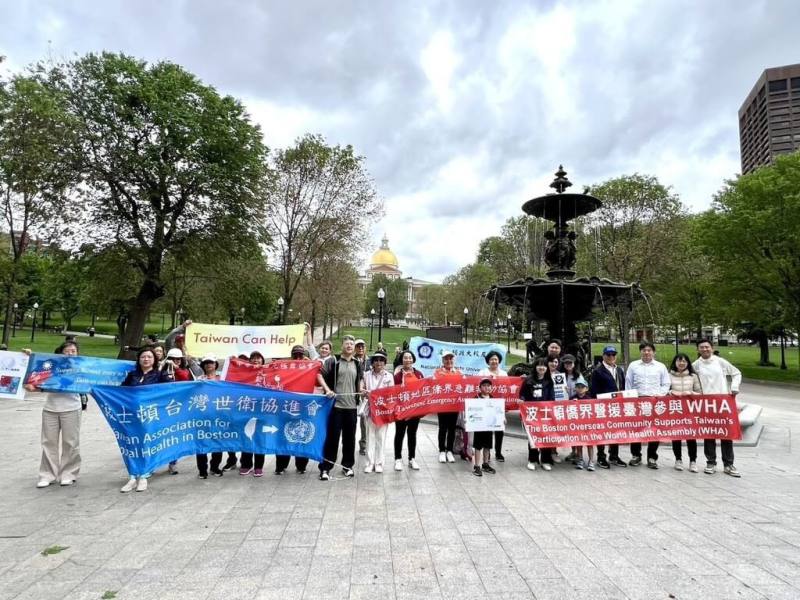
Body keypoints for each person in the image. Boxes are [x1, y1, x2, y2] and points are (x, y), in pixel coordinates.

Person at [27, 341, 82, 488]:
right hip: (50, 408)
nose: (70, 353)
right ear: (60, 352)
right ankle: (47, 475)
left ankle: (68, 474)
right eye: (67, 351)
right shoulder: (51, 366)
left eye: (73, 351)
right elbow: (36, 382)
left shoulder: (81, 367)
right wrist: (28, 357)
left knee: (70, 443)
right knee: (48, 443)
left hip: (71, 408)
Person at [120, 348, 171, 492]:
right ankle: (132, 476)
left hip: (150, 416)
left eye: (149, 357)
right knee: (132, 443)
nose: (146, 359)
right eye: (143, 357)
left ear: (154, 360)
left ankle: (143, 475)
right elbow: (121, 392)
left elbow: (171, 390)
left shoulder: (160, 375)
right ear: (139, 359)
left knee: (147, 443)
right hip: (132, 415)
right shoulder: (132, 375)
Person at [317, 335, 364, 480]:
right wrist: (327, 390)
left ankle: (347, 466)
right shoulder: (334, 361)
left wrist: (361, 389)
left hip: (351, 407)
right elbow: (319, 375)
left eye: (352, 343)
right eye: (347, 343)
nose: (349, 346)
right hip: (336, 406)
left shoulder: (357, 363)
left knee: (349, 439)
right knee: (332, 438)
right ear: (342, 346)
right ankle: (325, 468)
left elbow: (360, 379)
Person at [693, 339, 742, 477]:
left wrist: (734, 387)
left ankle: (728, 463)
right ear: (698, 350)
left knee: (726, 433)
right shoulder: (696, 365)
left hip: (723, 402)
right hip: (707, 404)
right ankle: (711, 462)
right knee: (709, 433)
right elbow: (690, 379)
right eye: (701, 347)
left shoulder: (720, 362)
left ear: (712, 348)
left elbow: (736, 373)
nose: (704, 349)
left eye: (707, 347)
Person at [625, 341, 670, 468]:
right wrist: (630, 398)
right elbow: (628, 383)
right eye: (644, 350)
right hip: (637, 401)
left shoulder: (660, 366)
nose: (646, 352)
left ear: (653, 352)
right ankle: (636, 456)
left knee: (654, 430)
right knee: (636, 429)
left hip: (654, 402)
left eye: (649, 350)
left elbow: (666, 383)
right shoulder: (633, 366)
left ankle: (652, 457)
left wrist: (659, 395)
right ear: (640, 352)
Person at [275, 345, 311, 475]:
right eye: (295, 355)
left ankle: (301, 465)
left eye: (300, 355)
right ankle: (281, 466)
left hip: (303, 406)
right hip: (285, 406)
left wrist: (310, 364)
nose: (298, 358)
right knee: (283, 436)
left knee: (301, 435)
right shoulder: (285, 367)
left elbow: (319, 377)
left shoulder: (309, 367)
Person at [590, 345, 628, 469]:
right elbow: (594, 391)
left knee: (616, 431)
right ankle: (601, 456)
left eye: (613, 355)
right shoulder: (598, 371)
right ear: (603, 356)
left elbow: (622, 387)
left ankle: (614, 455)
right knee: (602, 431)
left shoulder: (619, 370)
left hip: (617, 406)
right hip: (603, 406)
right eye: (608, 355)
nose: (611, 357)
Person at [668, 353, 703, 473]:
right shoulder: (669, 375)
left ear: (688, 363)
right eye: (679, 361)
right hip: (675, 410)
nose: (681, 363)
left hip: (690, 410)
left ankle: (693, 461)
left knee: (691, 436)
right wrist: (672, 392)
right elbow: (665, 391)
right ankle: (678, 460)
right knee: (676, 436)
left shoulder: (693, 376)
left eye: (684, 361)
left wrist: (691, 393)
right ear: (675, 362)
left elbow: (700, 393)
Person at [520, 357, 555, 471]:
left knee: (546, 437)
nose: (542, 367)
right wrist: (521, 400)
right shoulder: (528, 380)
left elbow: (552, 398)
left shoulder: (549, 381)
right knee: (533, 437)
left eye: (544, 365)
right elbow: (522, 395)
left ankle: (545, 460)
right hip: (532, 413)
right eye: (539, 365)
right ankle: (532, 460)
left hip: (545, 414)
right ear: (535, 367)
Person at [362, 351, 394, 473]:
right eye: (376, 360)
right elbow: (362, 389)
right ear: (373, 362)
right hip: (370, 410)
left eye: (381, 360)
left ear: (385, 363)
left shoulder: (389, 376)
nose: (378, 362)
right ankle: (370, 463)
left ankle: (379, 463)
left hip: (383, 411)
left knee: (381, 437)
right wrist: (364, 392)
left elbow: (391, 393)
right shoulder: (366, 375)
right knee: (370, 437)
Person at [393, 350, 424, 471]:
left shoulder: (419, 374)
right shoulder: (397, 376)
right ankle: (398, 459)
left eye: (410, 358)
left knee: (412, 434)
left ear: (413, 359)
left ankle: (412, 458)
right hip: (401, 410)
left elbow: (423, 391)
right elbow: (393, 393)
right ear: (402, 360)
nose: (408, 360)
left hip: (414, 411)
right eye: (405, 358)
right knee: (399, 434)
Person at [240, 350, 269, 477]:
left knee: (260, 438)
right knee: (247, 435)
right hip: (247, 408)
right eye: (253, 358)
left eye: (258, 358)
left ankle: (258, 466)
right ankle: (246, 464)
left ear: (262, 360)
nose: (256, 360)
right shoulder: (244, 373)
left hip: (263, 409)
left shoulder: (269, 372)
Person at [196, 355, 224, 479]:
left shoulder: (222, 378)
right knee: (201, 442)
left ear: (215, 364)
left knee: (218, 442)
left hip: (218, 415)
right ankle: (202, 470)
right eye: (206, 363)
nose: (208, 365)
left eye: (211, 362)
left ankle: (215, 466)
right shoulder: (197, 380)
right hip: (201, 416)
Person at [433, 350, 462, 463]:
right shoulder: (438, 372)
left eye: (450, 359)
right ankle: (441, 450)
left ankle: (449, 450)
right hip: (442, 405)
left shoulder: (459, 373)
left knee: (452, 428)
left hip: (454, 405)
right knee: (442, 428)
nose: (449, 361)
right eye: (446, 359)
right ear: (443, 360)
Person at [478, 350, 507, 461]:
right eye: (491, 359)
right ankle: (487, 453)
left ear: (499, 361)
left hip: (498, 406)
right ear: (488, 361)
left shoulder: (504, 374)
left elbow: (508, 389)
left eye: (496, 359)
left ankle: (498, 452)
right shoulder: (482, 372)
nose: (494, 361)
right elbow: (477, 387)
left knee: (500, 430)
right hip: (485, 405)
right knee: (487, 431)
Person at [471, 378, 498, 477]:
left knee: (487, 446)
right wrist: (468, 420)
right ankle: (477, 466)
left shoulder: (493, 399)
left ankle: (485, 464)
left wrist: (502, 418)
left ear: (491, 388)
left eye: (488, 386)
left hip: (489, 427)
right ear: (480, 387)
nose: (486, 387)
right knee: (478, 446)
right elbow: (471, 411)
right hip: (478, 427)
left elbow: (497, 412)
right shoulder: (476, 398)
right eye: (484, 385)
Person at [571, 376, 596, 471]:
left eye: (582, 386)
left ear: (586, 388)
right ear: (575, 388)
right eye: (578, 386)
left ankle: (591, 461)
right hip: (577, 426)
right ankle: (580, 459)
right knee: (579, 443)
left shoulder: (590, 399)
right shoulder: (572, 398)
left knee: (590, 443)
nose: (580, 388)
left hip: (588, 426)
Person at [354, 339, 369, 456]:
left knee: (364, 420)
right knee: (351, 421)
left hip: (365, 395)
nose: (360, 348)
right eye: (358, 346)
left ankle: (363, 445)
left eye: (362, 346)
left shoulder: (370, 361)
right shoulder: (352, 360)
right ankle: (349, 443)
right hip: (353, 395)